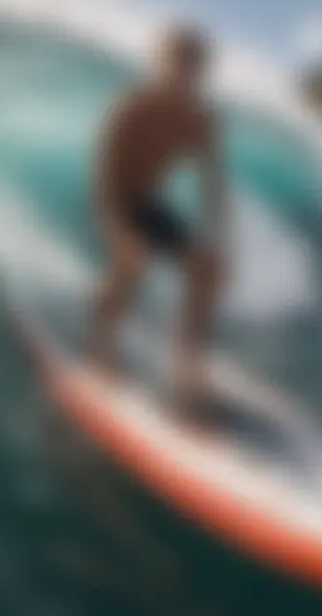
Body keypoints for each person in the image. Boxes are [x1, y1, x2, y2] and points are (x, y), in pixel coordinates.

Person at [88, 22, 227, 413]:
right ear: (161, 63)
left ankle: (186, 361)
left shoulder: (200, 121)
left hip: (148, 203)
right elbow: (101, 177)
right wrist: (115, 232)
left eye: (194, 66)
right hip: (115, 199)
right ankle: (102, 344)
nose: (185, 73)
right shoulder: (131, 108)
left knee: (208, 269)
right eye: (178, 63)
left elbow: (214, 185)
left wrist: (217, 243)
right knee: (133, 258)